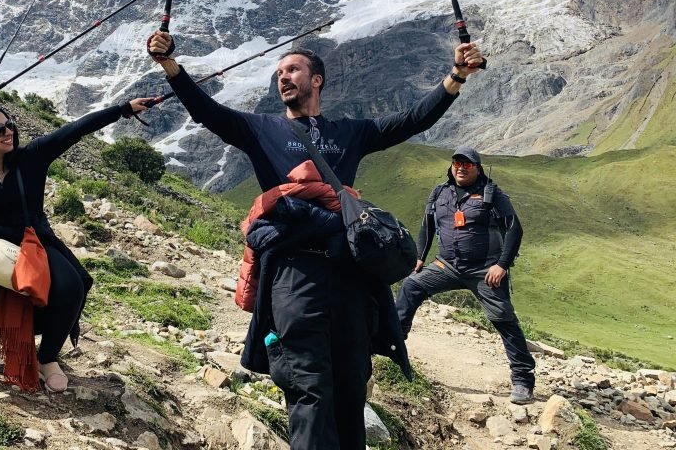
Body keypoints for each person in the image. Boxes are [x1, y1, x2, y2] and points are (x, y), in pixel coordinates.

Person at [147, 30, 484, 450]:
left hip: (350, 275)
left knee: (350, 388)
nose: (283, 78)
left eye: (292, 70)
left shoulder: (349, 132)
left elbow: (411, 120)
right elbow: (206, 112)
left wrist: (456, 76)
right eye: (279, 73)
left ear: (317, 79)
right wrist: (170, 66)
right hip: (294, 275)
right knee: (308, 388)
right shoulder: (260, 129)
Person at [0, 96, 154, 389]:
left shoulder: (32, 156)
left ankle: (47, 357)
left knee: (70, 284)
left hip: (33, 237)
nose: (8, 132)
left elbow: (75, 129)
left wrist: (123, 109)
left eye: (9, 124)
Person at [395, 146, 535, 404]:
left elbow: (515, 229)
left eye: (467, 164)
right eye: (457, 162)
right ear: (451, 166)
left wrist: (502, 265)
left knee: (503, 317)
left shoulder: (492, 194)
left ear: (477, 168)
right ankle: (392, 345)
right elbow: (427, 225)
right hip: (446, 265)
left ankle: (523, 380)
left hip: (485, 269)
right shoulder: (439, 192)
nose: (461, 167)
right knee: (411, 286)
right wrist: (419, 257)